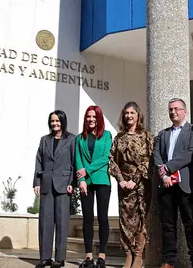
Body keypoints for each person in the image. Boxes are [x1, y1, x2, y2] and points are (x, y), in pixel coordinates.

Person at [153, 98, 193, 268]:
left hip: (186, 185)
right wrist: (164, 175)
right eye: (170, 109)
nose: (173, 112)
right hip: (166, 185)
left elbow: (191, 154)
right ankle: (168, 261)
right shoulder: (162, 134)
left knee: (191, 224)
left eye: (176, 109)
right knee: (168, 225)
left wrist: (168, 167)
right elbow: (157, 156)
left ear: (184, 111)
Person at [108, 102, 153, 268]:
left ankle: (138, 256)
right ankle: (128, 254)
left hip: (140, 184)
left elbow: (149, 159)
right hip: (123, 185)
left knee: (141, 219)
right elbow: (111, 160)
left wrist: (134, 179)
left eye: (132, 112)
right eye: (126, 113)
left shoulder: (147, 136)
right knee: (125, 220)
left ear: (138, 115)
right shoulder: (119, 137)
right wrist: (121, 180)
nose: (129, 116)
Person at [33, 110, 76, 268]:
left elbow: (74, 162)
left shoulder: (72, 139)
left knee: (62, 222)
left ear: (63, 121)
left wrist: (73, 182)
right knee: (45, 221)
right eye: (52, 121)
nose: (55, 123)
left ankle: (59, 258)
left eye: (58, 121)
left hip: (64, 185)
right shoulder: (44, 140)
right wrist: (37, 182)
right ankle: (45, 257)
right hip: (46, 184)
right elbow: (38, 162)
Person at [75, 105, 113, 268]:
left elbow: (106, 157)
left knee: (103, 218)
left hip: (102, 180)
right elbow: (77, 159)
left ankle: (102, 256)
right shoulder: (79, 138)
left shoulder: (106, 135)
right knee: (87, 219)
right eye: (88, 117)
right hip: (86, 182)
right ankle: (89, 257)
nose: (91, 119)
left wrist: (86, 170)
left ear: (99, 118)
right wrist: (81, 180)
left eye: (94, 116)